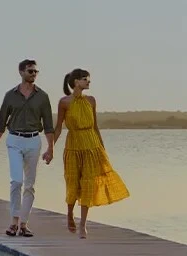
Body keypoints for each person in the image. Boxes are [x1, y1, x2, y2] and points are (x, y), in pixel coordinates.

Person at [50, 68, 130, 238]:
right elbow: (58, 128)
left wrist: (102, 147)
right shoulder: (64, 102)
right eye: (85, 79)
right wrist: (50, 148)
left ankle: (83, 225)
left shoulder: (91, 101)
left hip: (92, 145)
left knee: (88, 184)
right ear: (76, 82)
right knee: (72, 182)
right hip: (73, 145)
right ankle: (70, 214)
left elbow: (95, 126)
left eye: (88, 79)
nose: (88, 82)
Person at [0, 59, 55, 238]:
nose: (34, 74)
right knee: (16, 181)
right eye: (30, 71)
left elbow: (48, 125)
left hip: (34, 140)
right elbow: (1, 122)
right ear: (21, 72)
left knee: (30, 184)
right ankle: (13, 222)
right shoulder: (10, 95)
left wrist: (51, 148)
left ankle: (24, 224)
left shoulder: (43, 96)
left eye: (35, 71)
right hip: (14, 140)